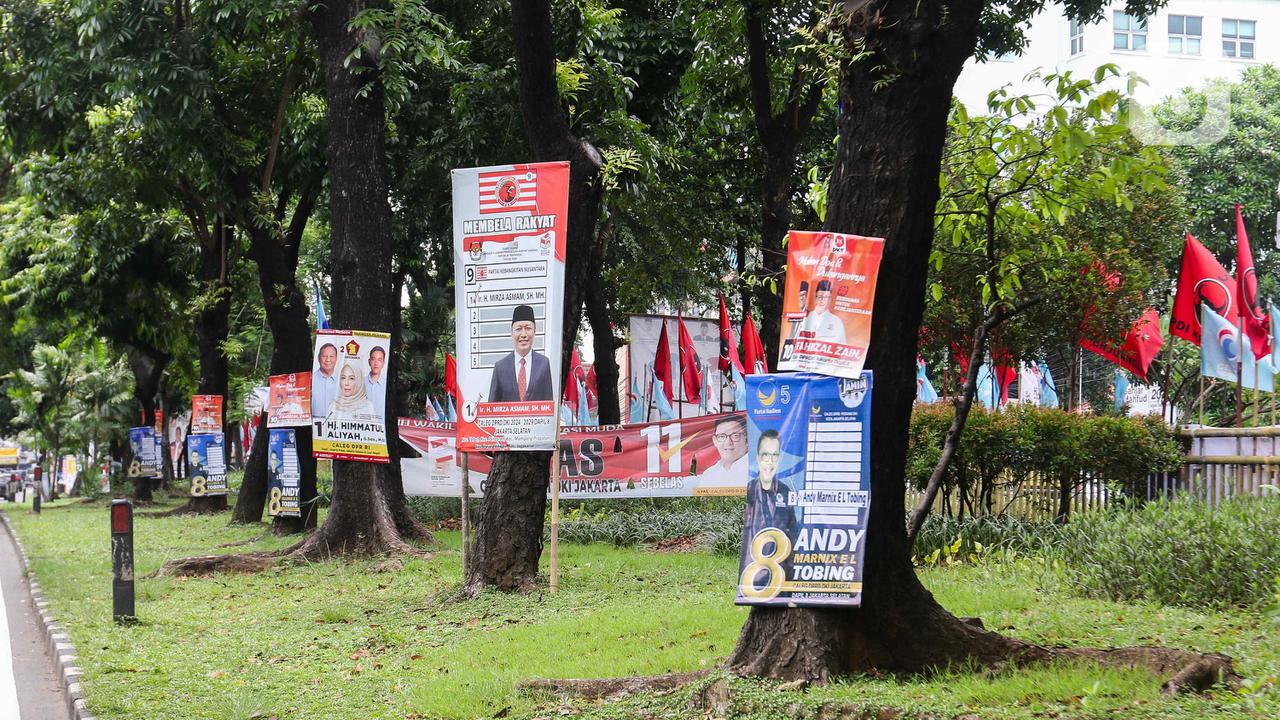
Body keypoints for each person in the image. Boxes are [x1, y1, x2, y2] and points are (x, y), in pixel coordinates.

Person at [488, 305, 553, 402]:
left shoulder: (543, 364)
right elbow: (492, 408)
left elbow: (548, 404)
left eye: (528, 328)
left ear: (535, 331)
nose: (523, 335)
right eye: (518, 329)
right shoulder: (500, 367)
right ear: (512, 333)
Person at [744, 430, 795, 538]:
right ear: (758, 458)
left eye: (775, 455)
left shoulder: (785, 491)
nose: (770, 461)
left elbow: (793, 530)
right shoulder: (749, 489)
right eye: (765, 455)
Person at [693, 415, 749, 489]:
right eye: (721, 436)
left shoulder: (758, 470)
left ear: (747, 439)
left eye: (735, 436)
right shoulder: (709, 475)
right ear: (715, 441)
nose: (728, 442)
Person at [799, 278, 847, 344]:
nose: (822, 300)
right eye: (820, 296)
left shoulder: (836, 321)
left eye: (826, 297)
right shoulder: (806, 317)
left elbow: (842, 345)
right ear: (815, 296)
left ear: (830, 299)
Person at [312, 343, 340, 419]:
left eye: (331, 356)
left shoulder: (343, 382)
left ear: (336, 358)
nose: (328, 360)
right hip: (312, 429)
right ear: (318, 358)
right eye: (324, 356)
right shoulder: (310, 380)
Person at [365, 347, 388, 418]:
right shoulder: (360, 383)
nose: (376, 363)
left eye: (379, 360)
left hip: (381, 426)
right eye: (373, 359)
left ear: (383, 363)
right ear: (369, 361)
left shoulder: (387, 385)